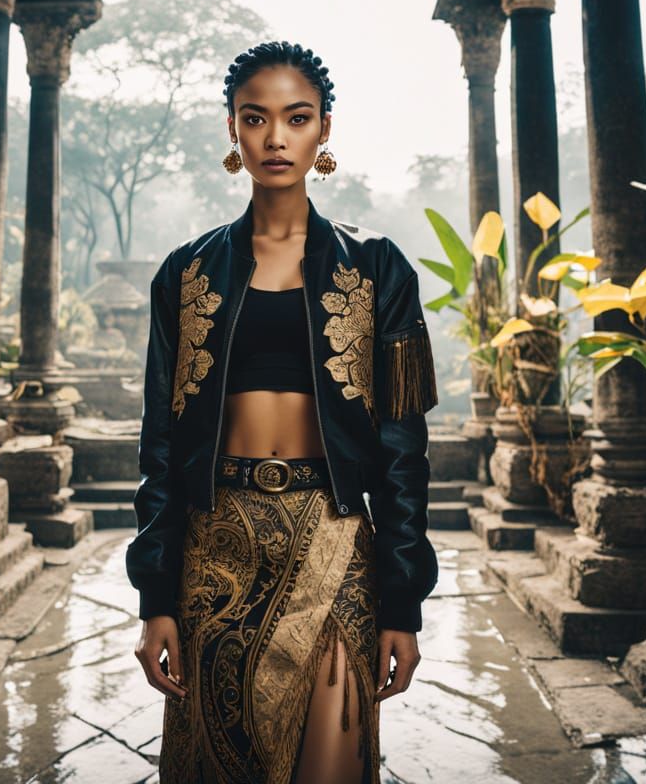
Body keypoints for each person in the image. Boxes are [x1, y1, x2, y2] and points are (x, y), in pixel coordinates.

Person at [127, 41, 439, 783]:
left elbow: (404, 449)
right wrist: (155, 597)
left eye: (295, 119)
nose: (275, 138)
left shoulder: (378, 267)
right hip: (215, 549)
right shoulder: (187, 271)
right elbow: (161, 444)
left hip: (333, 540)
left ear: (323, 129)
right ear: (230, 129)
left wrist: (403, 604)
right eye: (255, 118)